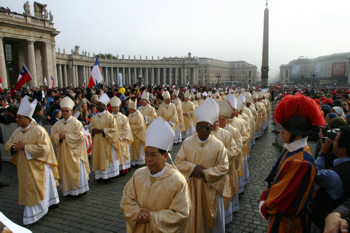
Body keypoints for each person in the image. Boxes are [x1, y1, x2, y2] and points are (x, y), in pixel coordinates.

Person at [259, 94, 325, 233]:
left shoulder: (300, 161)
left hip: (288, 225)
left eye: (285, 129)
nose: (281, 131)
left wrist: (265, 205)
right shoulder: (294, 149)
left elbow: (285, 199)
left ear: (297, 133)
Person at [120, 117, 190, 233]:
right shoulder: (139, 174)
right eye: (146, 154)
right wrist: (137, 212)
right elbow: (127, 200)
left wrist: (152, 217)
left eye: (153, 155)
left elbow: (181, 213)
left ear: (165, 156)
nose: (148, 160)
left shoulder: (177, 181)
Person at [175, 98, 230, 233]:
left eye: (206, 128)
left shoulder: (218, 146)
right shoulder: (187, 143)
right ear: (196, 127)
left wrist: (206, 173)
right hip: (191, 187)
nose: (203, 131)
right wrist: (193, 168)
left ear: (211, 128)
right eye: (200, 127)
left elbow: (223, 167)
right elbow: (179, 161)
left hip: (210, 187)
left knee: (210, 219)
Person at [5, 96, 59, 225]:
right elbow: (8, 144)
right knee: (29, 188)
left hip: (38, 166)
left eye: (19, 117)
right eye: (16, 117)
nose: (16, 120)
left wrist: (25, 147)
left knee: (37, 189)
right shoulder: (17, 131)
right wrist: (13, 147)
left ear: (28, 119)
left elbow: (45, 149)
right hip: (24, 167)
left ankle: (33, 214)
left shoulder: (38, 130)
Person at [311, 125, 350, 230]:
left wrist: (322, 153)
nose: (332, 143)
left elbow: (314, 173)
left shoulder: (333, 175)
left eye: (335, 140)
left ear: (342, 150)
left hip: (322, 221)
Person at [50, 97, 90, 196]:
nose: (65, 113)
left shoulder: (77, 123)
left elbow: (81, 137)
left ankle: (80, 190)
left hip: (75, 152)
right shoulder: (57, 124)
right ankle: (68, 191)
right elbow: (52, 136)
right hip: (63, 153)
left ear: (71, 111)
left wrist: (66, 136)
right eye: (63, 111)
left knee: (77, 171)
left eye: (67, 111)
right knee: (65, 172)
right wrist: (59, 137)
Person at [89, 93, 121, 180]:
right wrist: (93, 130)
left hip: (106, 141)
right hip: (97, 142)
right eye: (97, 104)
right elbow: (90, 126)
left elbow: (114, 129)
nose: (98, 106)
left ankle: (109, 175)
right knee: (98, 157)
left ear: (104, 106)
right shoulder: (94, 117)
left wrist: (103, 130)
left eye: (100, 104)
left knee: (106, 157)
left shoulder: (109, 117)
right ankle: (99, 175)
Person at [110, 96, 133, 173]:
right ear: (111, 108)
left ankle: (124, 168)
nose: (115, 109)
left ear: (119, 107)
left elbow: (126, 129)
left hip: (121, 139)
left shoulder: (123, 117)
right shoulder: (109, 117)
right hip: (111, 140)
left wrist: (117, 136)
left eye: (117, 107)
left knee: (123, 150)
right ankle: (115, 170)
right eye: (114, 108)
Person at [128, 99, 146, 166]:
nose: (128, 109)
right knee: (132, 149)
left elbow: (140, 126)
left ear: (132, 108)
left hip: (138, 135)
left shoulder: (138, 115)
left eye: (129, 108)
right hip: (132, 134)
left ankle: (140, 161)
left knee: (139, 148)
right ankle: (133, 161)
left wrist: (130, 126)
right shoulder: (130, 115)